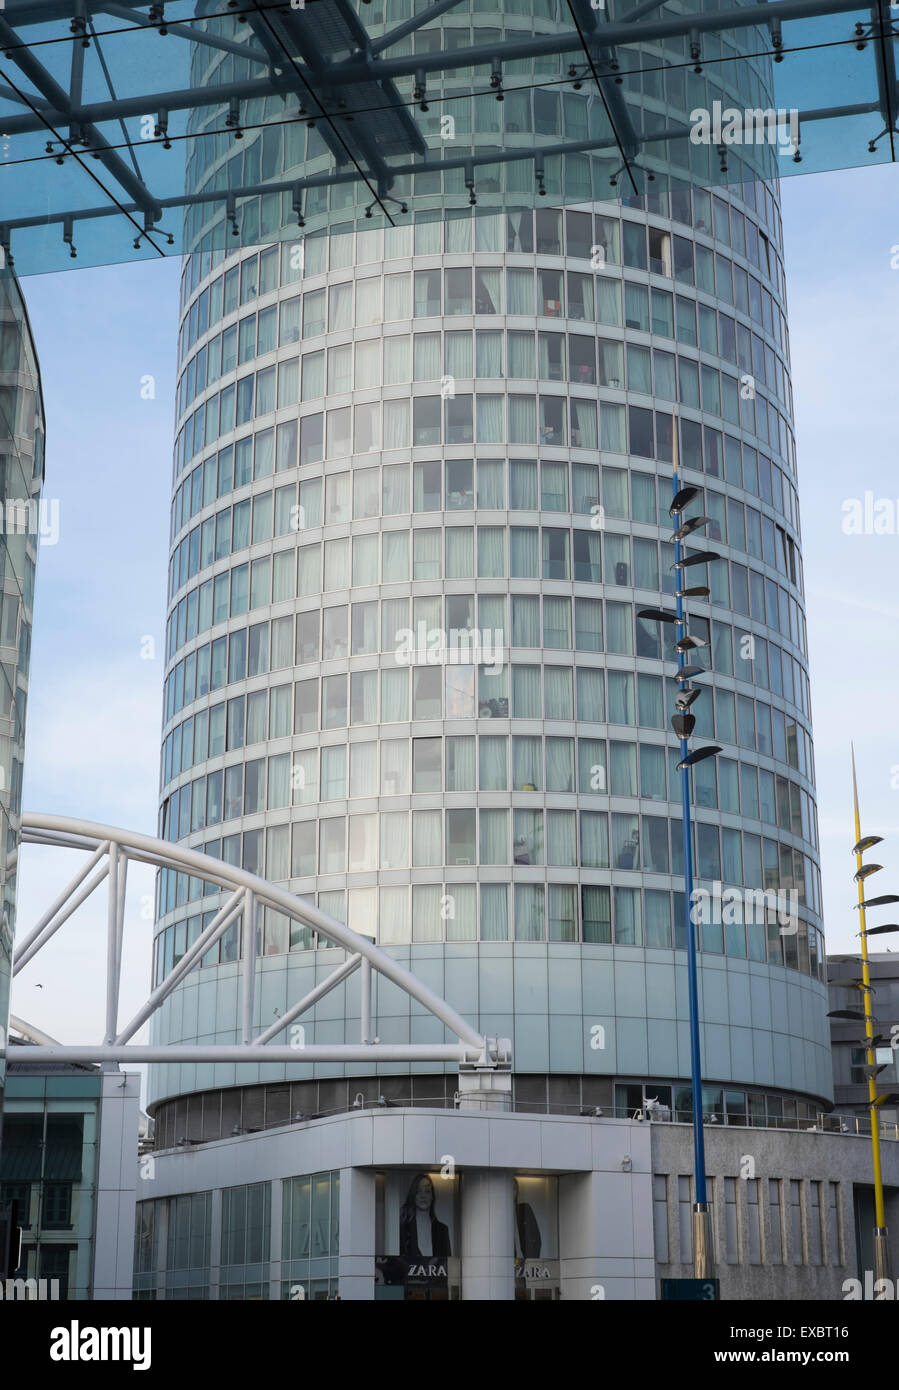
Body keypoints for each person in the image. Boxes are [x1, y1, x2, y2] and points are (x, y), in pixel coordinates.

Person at [399, 1173, 451, 1259]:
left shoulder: (442, 1230)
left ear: (432, 1196)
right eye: (418, 1191)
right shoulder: (403, 1228)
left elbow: (447, 1265)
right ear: (413, 1195)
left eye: (427, 1191)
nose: (423, 1196)